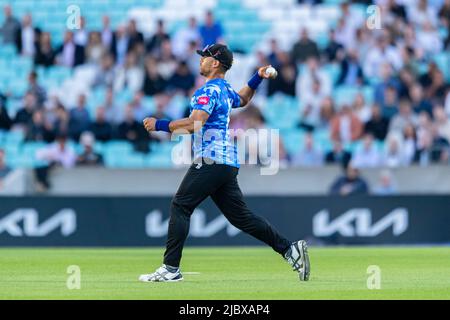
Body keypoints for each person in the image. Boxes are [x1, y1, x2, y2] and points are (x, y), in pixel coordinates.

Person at [140, 43, 310, 282]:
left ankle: (170, 269)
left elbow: (195, 123)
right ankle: (289, 250)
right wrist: (257, 77)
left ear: (216, 63)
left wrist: (159, 125)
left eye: (205, 57)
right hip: (226, 162)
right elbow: (242, 99)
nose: (200, 60)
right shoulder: (223, 89)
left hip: (212, 159)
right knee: (242, 218)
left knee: (181, 206)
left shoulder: (208, 91)